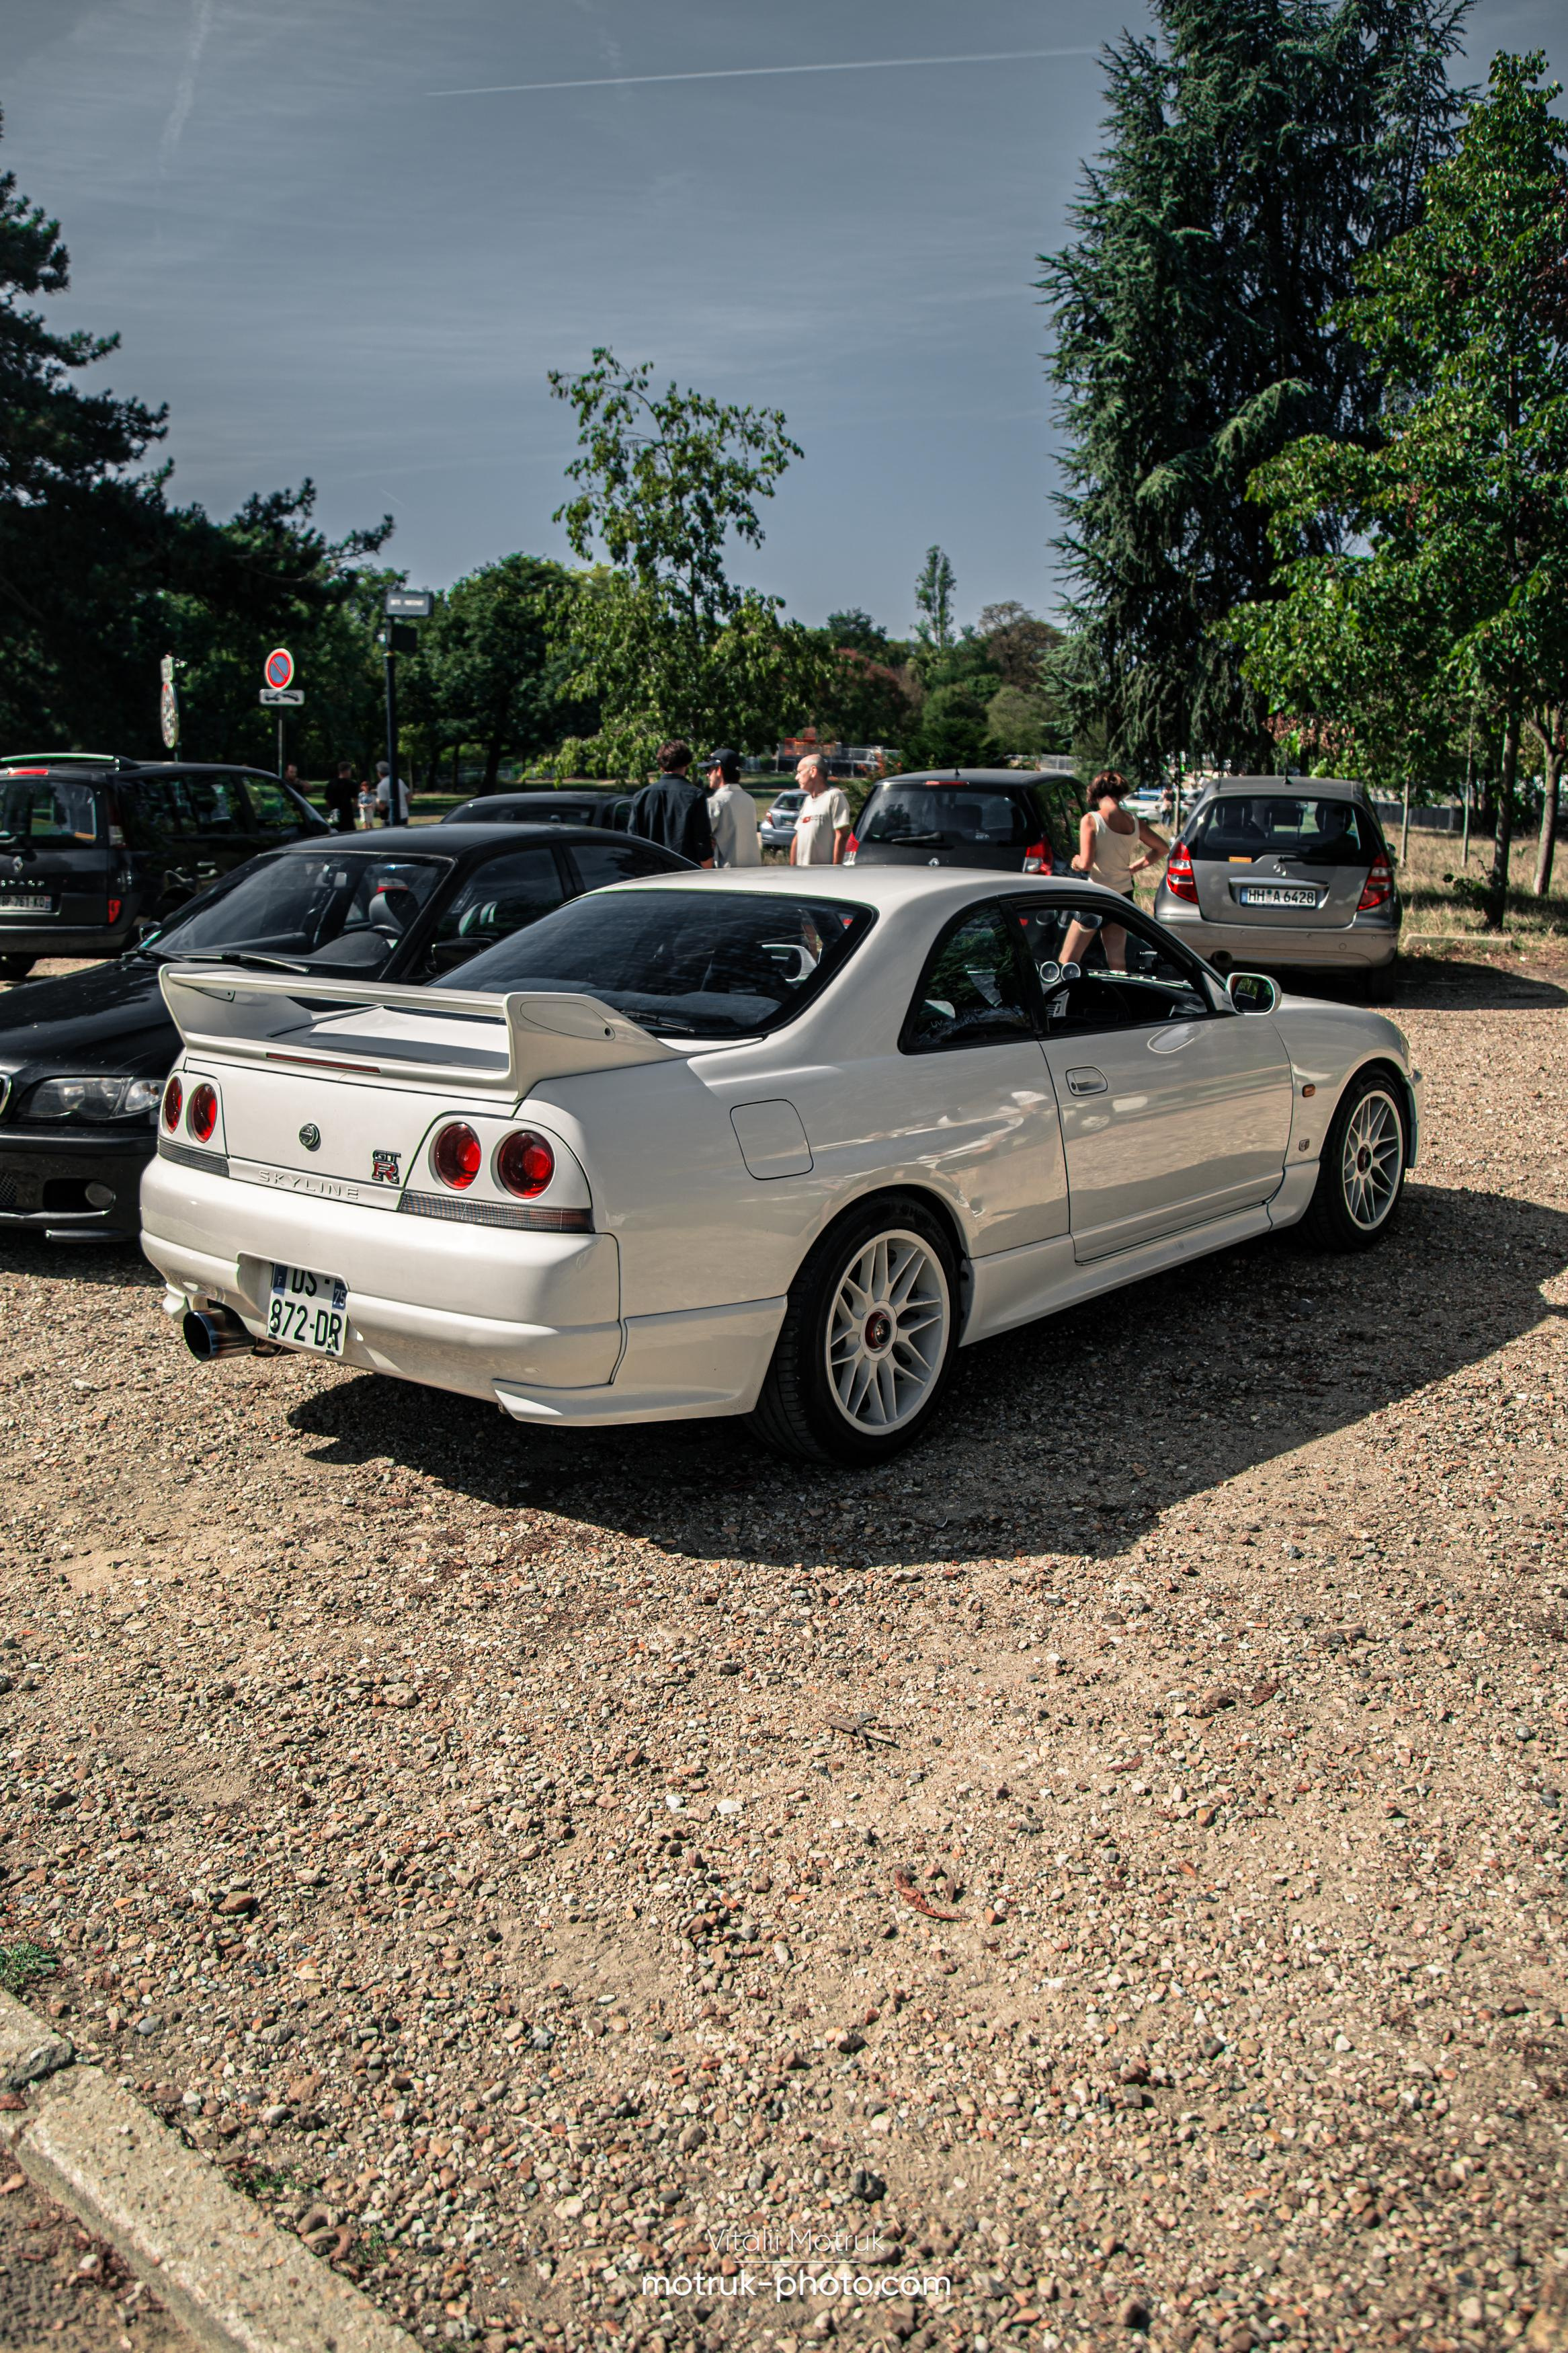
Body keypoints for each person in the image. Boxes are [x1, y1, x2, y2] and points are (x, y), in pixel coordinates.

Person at [1057, 771, 1169, 973]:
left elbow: (1086, 864)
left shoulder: (1091, 820)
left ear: (1095, 792)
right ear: (1121, 793)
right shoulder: (1133, 821)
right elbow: (1162, 848)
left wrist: (1075, 862)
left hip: (1095, 897)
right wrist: (1134, 868)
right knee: (1117, 962)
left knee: (1068, 960)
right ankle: (1122, 992)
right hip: (1122, 896)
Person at [628, 740, 714, 866]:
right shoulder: (696, 796)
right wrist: (708, 867)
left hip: (650, 872)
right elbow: (702, 842)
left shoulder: (641, 797)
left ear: (661, 765)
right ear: (687, 763)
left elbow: (633, 842)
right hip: (684, 871)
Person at [788, 754, 852, 866]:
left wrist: (836, 869)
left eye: (799, 772)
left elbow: (841, 835)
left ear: (813, 771)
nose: (796, 777)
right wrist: (792, 868)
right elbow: (797, 837)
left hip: (823, 874)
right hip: (801, 873)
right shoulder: (807, 801)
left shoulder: (834, 796)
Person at [704, 747, 761, 867]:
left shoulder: (716, 802)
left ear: (719, 770)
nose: (707, 774)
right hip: (754, 872)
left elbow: (700, 839)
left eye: (709, 769)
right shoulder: (749, 799)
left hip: (728, 874)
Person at [324, 758, 358, 836]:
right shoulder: (352, 784)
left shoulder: (331, 784)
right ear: (347, 771)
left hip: (334, 815)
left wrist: (332, 809)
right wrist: (352, 810)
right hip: (348, 816)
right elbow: (355, 801)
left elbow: (327, 801)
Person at [375, 758, 409, 827]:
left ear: (379, 773)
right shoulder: (399, 781)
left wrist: (375, 803)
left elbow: (382, 807)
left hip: (390, 818)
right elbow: (409, 795)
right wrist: (404, 805)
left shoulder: (381, 785)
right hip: (404, 815)